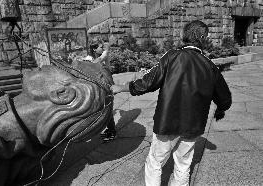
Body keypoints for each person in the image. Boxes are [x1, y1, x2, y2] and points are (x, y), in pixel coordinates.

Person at [111, 20, 232, 186]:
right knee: (183, 165)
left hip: (167, 121)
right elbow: (225, 99)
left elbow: (147, 83)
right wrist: (221, 109)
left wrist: (121, 87)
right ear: (204, 39)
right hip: (193, 125)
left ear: (184, 35)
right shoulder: (210, 66)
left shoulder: (171, 56)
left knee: (155, 162)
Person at [83, 38, 117, 142]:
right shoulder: (88, 59)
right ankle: (110, 129)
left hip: (105, 87)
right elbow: (94, 63)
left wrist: (105, 52)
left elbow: (104, 64)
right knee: (103, 110)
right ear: (94, 49)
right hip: (96, 89)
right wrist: (105, 52)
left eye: (102, 47)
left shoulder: (102, 57)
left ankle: (112, 131)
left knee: (107, 109)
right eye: (100, 47)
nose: (102, 49)